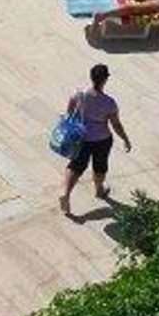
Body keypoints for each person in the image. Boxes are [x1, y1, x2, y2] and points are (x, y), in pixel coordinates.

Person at [60, 63, 131, 215]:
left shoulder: (78, 94)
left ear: (91, 77)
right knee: (100, 166)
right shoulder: (109, 102)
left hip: (81, 139)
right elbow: (116, 124)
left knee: (76, 166)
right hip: (102, 140)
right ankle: (99, 190)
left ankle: (66, 194)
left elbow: (69, 114)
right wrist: (125, 139)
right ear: (105, 79)